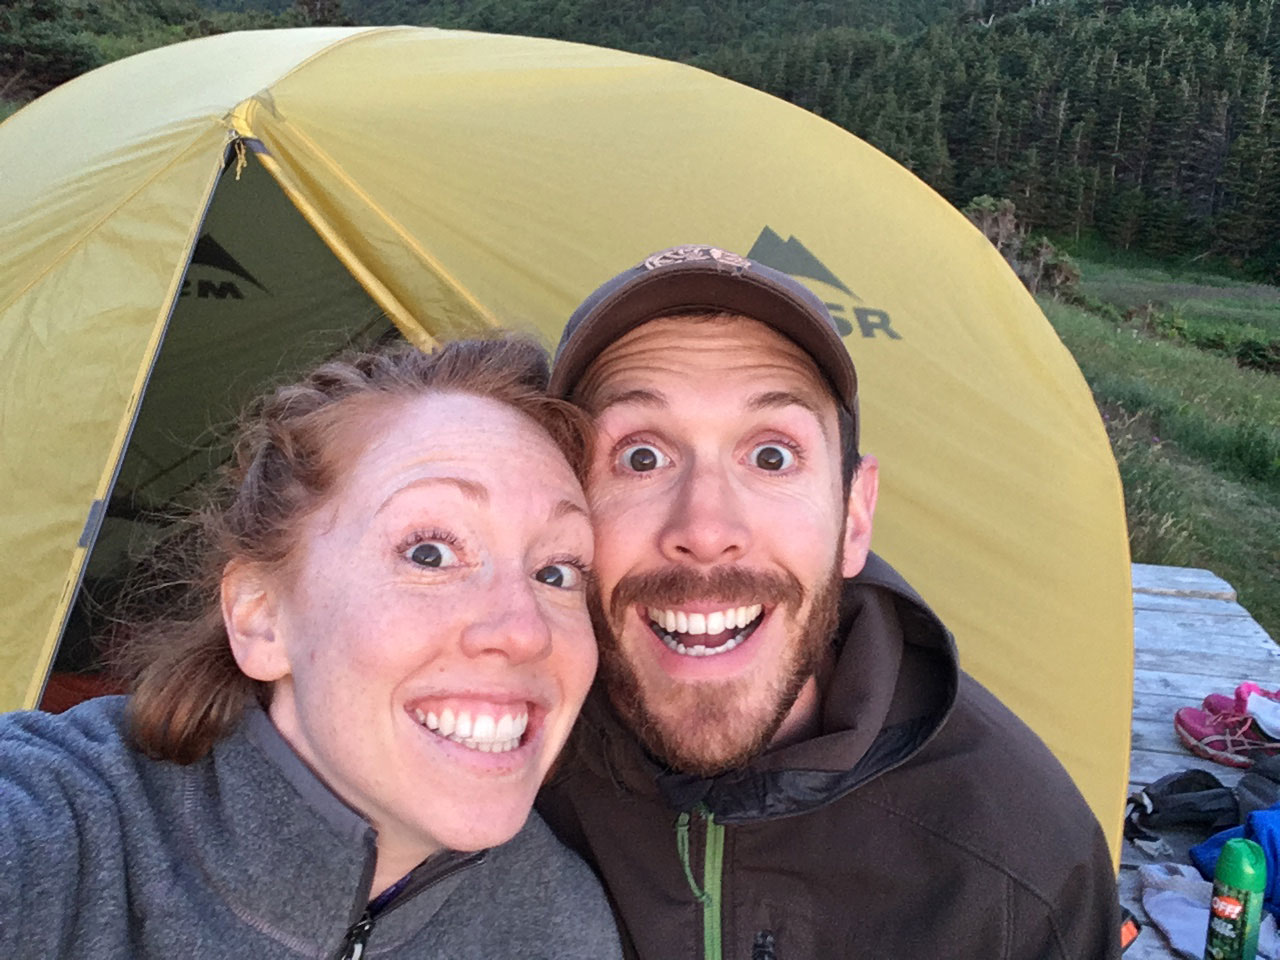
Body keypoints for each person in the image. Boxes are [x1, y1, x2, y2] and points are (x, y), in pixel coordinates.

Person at [537, 245, 1123, 959]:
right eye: (640, 457)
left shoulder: (1021, 861)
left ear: (854, 517)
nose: (705, 530)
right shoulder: (503, 768)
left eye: (772, 456)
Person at [0, 337, 623, 960]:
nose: (524, 631)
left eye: (558, 571)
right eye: (429, 553)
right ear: (260, 617)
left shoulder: (559, 924)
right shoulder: (59, 836)